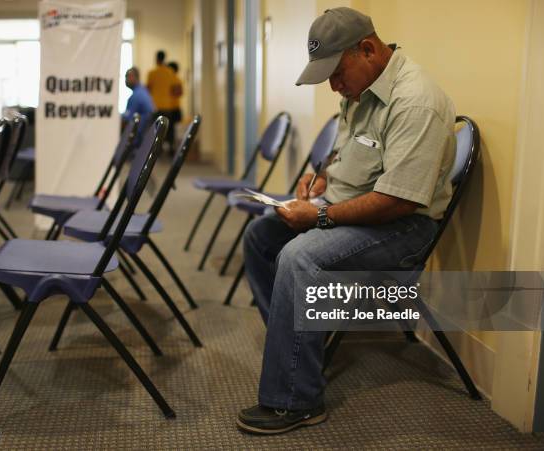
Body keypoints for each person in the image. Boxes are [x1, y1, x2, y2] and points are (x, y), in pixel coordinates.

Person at [236, 7, 456, 435]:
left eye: (337, 72)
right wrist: (319, 180)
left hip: (402, 227)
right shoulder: (357, 94)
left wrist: (319, 214)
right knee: (260, 236)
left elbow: (397, 202)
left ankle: (297, 401)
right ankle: (297, 347)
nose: (335, 85)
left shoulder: (416, 102)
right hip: (354, 208)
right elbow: (347, 155)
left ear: (369, 49)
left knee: (299, 257)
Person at [146, 50, 175, 152]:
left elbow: (148, 89)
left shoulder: (152, 73)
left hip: (156, 106)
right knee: (169, 129)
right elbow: (175, 89)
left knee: (157, 130)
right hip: (168, 105)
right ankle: (171, 147)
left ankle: (158, 149)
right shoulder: (170, 72)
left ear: (156, 59)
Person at [122, 66, 154, 147]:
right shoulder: (143, 91)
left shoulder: (136, 96)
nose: (125, 80)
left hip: (137, 139)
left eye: (127, 76)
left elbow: (126, 120)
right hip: (143, 137)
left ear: (134, 77)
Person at [167, 61, 183, 150]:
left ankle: (171, 146)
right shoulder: (177, 79)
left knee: (169, 129)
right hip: (175, 108)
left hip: (170, 108)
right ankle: (171, 147)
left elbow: (177, 92)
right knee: (172, 129)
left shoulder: (171, 79)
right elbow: (180, 93)